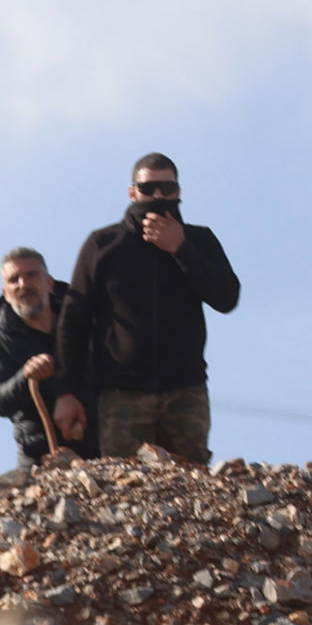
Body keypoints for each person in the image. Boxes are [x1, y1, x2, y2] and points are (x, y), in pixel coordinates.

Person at [54, 151, 241, 464]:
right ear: (132, 193)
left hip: (186, 389)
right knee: (126, 488)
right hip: (122, 394)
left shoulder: (198, 240)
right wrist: (65, 392)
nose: (158, 196)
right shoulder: (103, 244)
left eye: (166, 190)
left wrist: (181, 249)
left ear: (178, 193)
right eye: (148, 189)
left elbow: (227, 297)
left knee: (191, 487)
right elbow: (74, 322)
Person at [0, 246, 91, 466]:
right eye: (14, 280)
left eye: (31, 275)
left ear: (49, 283)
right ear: (6, 294)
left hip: (104, 447)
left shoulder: (85, 326)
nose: (23, 285)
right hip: (40, 459)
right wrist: (25, 377)